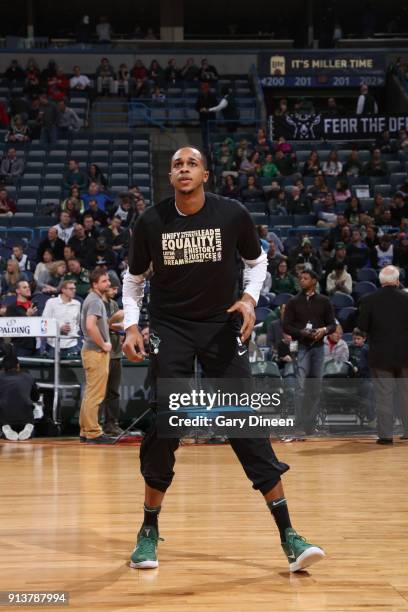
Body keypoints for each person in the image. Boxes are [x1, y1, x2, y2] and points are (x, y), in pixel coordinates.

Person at [122, 146, 325, 572]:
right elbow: (134, 279)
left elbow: (257, 260)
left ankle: (289, 533)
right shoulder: (151, 221)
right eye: (177, 164)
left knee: (243, 419)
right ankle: (148, 530)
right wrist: (131, 325)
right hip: (170, 328)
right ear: (172, 175)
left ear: (205, 174)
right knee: (165, 424)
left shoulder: (231, 215)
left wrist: (250, 299)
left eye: (191, 163)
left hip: (220, 326)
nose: (182, 169)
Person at [357, 265, 408, 443]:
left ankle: (386, 437)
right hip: (405, 356)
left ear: (380, 281)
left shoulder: (370, 299)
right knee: (406, 394)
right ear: (397, 280)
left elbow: (362, 327)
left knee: (384, 396)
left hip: (381, 356)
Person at [283, 270, 336, 434]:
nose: (302, 280)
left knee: (315, 387)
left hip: (319, 348)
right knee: (300, 388)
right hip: (302, 347)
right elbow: (286, 326)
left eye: (306, 278)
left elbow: (332, 325)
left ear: (314, 281)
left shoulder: (324, 301)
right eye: (300, 278)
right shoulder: (293, 302)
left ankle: (310, 425)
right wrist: (301, 333)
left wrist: (324, 330)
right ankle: (299, 424)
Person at [79, 268, 112, 444]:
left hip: (90, 351)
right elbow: (91, 326)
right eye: (104, 281)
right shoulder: (95, 301)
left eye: (108, 280)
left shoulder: (93, 299)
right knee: (95, 394)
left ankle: (85, 430)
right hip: (96, 352)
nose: (108, 283)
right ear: (95, 284)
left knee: (90, 393)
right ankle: (93, 432)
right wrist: (104, 344)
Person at [0, 344, 39, 441]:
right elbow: (36, 398)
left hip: (5, 416)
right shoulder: (28, 376)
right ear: (18, 365)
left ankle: (5, 427)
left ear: (3, 367)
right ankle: (29, 426)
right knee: (29, 408)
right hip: (26, 415)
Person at [101, 281, 124, 436]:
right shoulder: (97, 303)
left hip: (116, 352)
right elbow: (102, 325)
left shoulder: (114, 304)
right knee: (99, 392)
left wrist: (116, 325)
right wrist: (113, 323)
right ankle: (94, 425)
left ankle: (112, 424)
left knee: (113, 392)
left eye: (117, 289)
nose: (115, 291)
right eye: (113, 288)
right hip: (101, 352)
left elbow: (121, 325)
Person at [42, 280, 81, 358]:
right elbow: (44, 323)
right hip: (54, 345)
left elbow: (77, 322)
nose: (74, 291)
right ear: (63, 290)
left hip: (72, 344)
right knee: (52, 369)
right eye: (71, 289)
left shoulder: (77, 304)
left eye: (74, 288)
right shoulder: (51, 302)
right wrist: (58, 329)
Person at [5, 280, 38, 357]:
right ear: (18, 291)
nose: (28, 289)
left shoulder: (33, 305)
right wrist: (27, 316)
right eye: (24, 287)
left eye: (28, 287)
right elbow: (12, 329)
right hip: (21, 347)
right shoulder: (12, 308)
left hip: (36, 346)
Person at [195, 82, 217, 152]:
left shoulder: (212, 96)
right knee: (204, 133)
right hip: (203, 118)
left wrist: (208, 109)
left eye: (205, 89)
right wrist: (200, 109)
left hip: (211, 118)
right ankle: (205, 148)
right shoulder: (200, 96)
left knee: (211, 133)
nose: (203, 90)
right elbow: (196, 107)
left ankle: (212, 147)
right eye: (202, 89)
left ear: (208, 89)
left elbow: (216, 106)